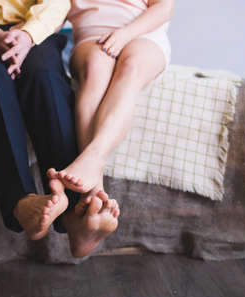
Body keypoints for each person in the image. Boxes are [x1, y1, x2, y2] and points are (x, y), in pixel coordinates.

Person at [0, 0, 117, 258]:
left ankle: (74, 214)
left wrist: (27, 34)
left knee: (45, 75)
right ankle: (19, 201)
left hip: (34, 32)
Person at [48, 0, 173, 216]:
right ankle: (94, 200)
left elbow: (164, 7)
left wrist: (124, 34)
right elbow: (52, 12)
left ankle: (92, 161)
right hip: (91, 38)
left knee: (132, 67)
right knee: (95, 70)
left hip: (143, 34)